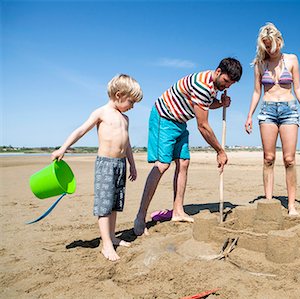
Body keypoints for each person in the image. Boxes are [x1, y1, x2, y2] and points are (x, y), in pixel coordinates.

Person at [133, 57, 242, 236]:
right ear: (218, 72)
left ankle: (177, 211)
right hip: (164, 117)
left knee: (183, 162)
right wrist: (220, 151)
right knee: (162, 165)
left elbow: (205, 104)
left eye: (231, 84)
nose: (227, 86)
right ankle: (140, 216)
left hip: (180, 121)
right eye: (226, 81)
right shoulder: (202, 85)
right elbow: (202, 125)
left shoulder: (212, 85)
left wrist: (220, 103)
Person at [51, 74, 143, 261]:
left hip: (120, 164)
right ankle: (106, 244)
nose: (132, 106)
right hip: (106, 164)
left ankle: (113, 237)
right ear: (119, 95)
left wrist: (132, 164)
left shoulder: (125, 118)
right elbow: (81, 130)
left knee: (116, 203)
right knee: (104, 204)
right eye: (131, 102)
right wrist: (63, 148)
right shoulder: (101, 112)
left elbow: (127, 144)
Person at [244, 22, 300, 216]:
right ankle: (268, 203)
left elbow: (297, 87)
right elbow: (257, 91)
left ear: (279, 41)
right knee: (268, 158)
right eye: (265, 45)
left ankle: (291, 206)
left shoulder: (292, 60)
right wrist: (249, 115)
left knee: (289, 159)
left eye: (271, 44)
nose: (268, 49)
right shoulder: (259, 63)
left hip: (289, 110)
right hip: (267, 111)